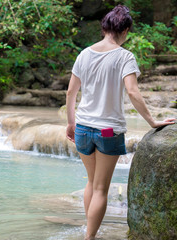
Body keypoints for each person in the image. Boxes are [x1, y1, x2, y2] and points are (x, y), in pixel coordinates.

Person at [65, 5, 176, 240]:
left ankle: (89, 231)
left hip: (83, 128)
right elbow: (133, 93)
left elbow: (70, 93)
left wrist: (71, 123)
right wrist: (153, 121)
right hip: (107, 131)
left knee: (91, 183)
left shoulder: (84, 53)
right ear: (125, 30)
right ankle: (90, 237)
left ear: (104, 27)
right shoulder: (125, 56)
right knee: (100, 188)